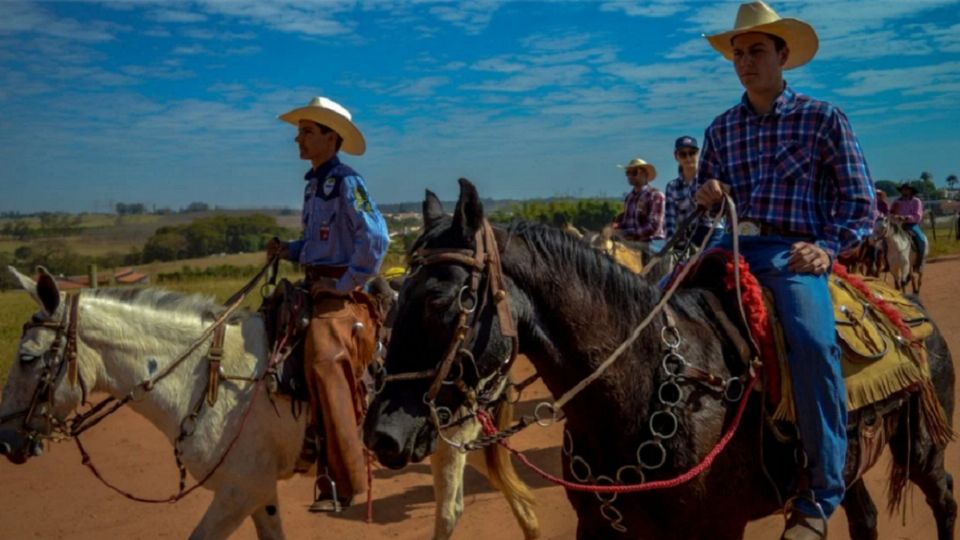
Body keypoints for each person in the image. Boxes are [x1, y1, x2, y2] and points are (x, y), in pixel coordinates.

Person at [695, 3, 876, 539]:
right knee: (647, 310)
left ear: (783, 55)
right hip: (726, 247)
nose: (745, 62)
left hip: (790, 255)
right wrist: (708, 198)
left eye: (755, 51)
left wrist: (827, 247)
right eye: (737, 53)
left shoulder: (823, 119)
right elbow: (707, 206)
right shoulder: (720, 129)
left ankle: (821, 491)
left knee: (813, 343)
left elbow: (860, 202)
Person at [267, 96, 390, 513]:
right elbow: (318, 244)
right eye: (299, 131)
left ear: (330, 137)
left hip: (341, 296)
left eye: (306, 131)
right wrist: (287, 249)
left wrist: (344, 285)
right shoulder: (314, 184)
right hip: (314, 287)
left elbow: (376, 240)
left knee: (322, 356)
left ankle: (342, 480)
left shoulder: (348, 183)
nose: (298, 139)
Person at [663, 136, 723, 248]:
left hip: (712, 231)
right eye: (683, 154)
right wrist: (671, 242)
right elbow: (669, 219)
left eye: (692, 153)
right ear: (676, 156)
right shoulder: (672, 187)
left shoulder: (709, 180)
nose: (688, 157)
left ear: (698, 153)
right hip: (687, 235)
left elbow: (718, 212)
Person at [613, 157, 666, 260]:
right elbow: (627, 222)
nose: (630, 176)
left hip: (652, 244)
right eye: (628, 173)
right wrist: (616, 228)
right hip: (633, 243)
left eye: (634, 172)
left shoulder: (656, 195)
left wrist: (626, 233)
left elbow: (653, 227)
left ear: (645, 174)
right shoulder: (629, 198)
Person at [890, 182, 927, 269]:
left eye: (906, 189)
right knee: (885, 239)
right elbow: (890, 213)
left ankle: (919, 263)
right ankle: (886, 262)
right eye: (903, 189)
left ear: (911, 191)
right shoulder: (896, 201)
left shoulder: (916, 201)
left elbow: (918, 215)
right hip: (897, 226)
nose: (904, 191)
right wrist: (892, 215)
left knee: (921, 240)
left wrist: (905, 218)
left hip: (911, 225)